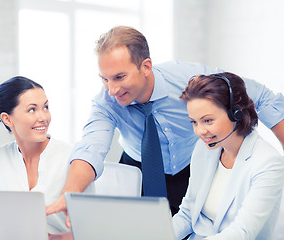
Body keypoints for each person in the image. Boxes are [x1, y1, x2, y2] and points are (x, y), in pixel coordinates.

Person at [46, 26, 284, 220]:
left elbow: (261, 97)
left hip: (193, 164)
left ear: (145, 67)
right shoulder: (105, 102)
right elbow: (91, 146)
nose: (112, 89)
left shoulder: (188, 79)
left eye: (120, 77)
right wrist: (72, 190)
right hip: (141, 169)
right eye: (104, 79)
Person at [172, 72, 284, 239]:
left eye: (208, 120)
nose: (200, 131)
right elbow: (188, 214)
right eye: (194, 122)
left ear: (236, 114)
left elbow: (242, 232)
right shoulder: (204, 149)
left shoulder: (268, 162)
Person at [0, 76, 71, 233]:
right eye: (32, 110)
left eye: (45, 107)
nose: (43, 118)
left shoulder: (71, 157)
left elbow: (89, 229)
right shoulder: (0, 157)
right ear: (7, 119)